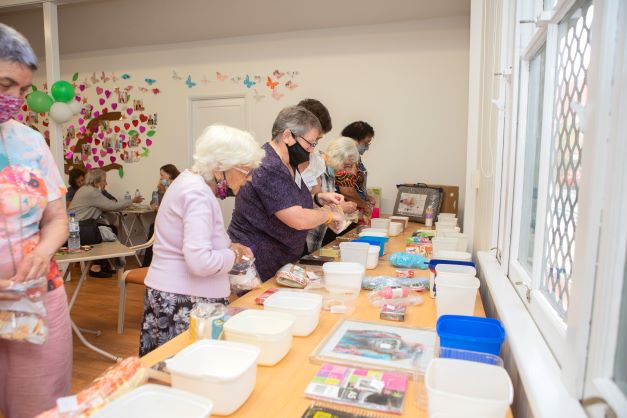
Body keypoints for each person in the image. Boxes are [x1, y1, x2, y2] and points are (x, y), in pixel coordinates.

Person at [139, 125, 263, 356]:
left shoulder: (190, 183)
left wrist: (228, 246)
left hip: (175, 294)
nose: (249, 179)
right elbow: (200, 261)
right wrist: (233, 255)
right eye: (246, 170)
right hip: (184, 301)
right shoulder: (197, 195)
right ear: (219, 168)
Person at [0, 23, 72, 418]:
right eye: (5, 84)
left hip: (36, 297)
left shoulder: (30, 142)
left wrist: (44, 250)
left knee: (40, 404)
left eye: (23, 91)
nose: (14, 99)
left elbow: (57, 218)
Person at [228, 106, 345, 282]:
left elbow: (290, 199)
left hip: (280, 260)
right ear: (287, 136)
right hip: (258, 262)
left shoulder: (289, 163)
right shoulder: (269, 166)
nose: (312, 149)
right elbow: (297, 218)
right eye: (310, 143)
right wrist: (328, 215)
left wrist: (318, 198)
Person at [68, 168, 142, 277]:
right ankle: (97, 267)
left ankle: (104, 264)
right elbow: (113, 206)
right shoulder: (91, 192)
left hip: (80, 226)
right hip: (78, 229)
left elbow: (108, 202)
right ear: (96, 182)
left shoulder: (88, 189)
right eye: (104, 180)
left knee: (110, 229)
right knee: (108, 231)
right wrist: (132, 200)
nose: (106, 183)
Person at [306, 137, 359, 253]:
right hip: (308, 235)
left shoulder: (331, 172)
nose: (348, 171)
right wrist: (340, 208)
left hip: (320, 234)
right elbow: (309, 204)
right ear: (337, 158)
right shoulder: (315, 167)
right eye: (347, 166)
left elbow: (323, 202)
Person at [337, 121, 377, 220]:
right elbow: (347, 191)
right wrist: (365, 205)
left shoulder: (356, 158)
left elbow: (356, 185)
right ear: (353, 139)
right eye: (366, 143)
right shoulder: (344, 157)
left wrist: (366, 196)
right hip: (344, 214)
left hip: (354, 213)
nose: (367, 147)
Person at [143, 163, 180, 267]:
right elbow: (153, 202)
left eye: (162, 175)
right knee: (152, 228)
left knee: (153, 229)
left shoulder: (177, 187)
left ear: (169, 175)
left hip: (173, 222)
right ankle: (148, 264)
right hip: (164, 220)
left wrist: (165, 193)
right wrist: (161, 191)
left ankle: (146, 265)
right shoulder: (162, 188)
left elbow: (172, 206)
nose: (160, 178)